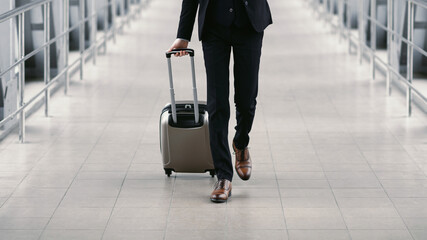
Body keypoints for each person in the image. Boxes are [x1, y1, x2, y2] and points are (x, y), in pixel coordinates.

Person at [168, 0, 272, 203]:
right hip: (214, 26)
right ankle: (223, 176)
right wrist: (183, 34)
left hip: (249, 23)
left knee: (246, 99)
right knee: (217, 103)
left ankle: (241, 143)